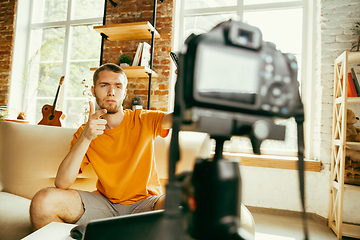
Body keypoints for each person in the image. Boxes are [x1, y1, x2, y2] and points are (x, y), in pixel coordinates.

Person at [29, 63, 172, 230]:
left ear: (124, 92)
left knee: (178, 204)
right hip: (105, 205)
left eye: (118, 86)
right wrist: (86, 137)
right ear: (93, 90)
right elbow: (62, 182)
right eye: (104, 85)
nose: (111, 92)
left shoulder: (144, 119)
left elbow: (183, 117)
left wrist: (184, 79)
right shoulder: (85, 132)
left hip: (145, 204)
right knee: (42, 202)